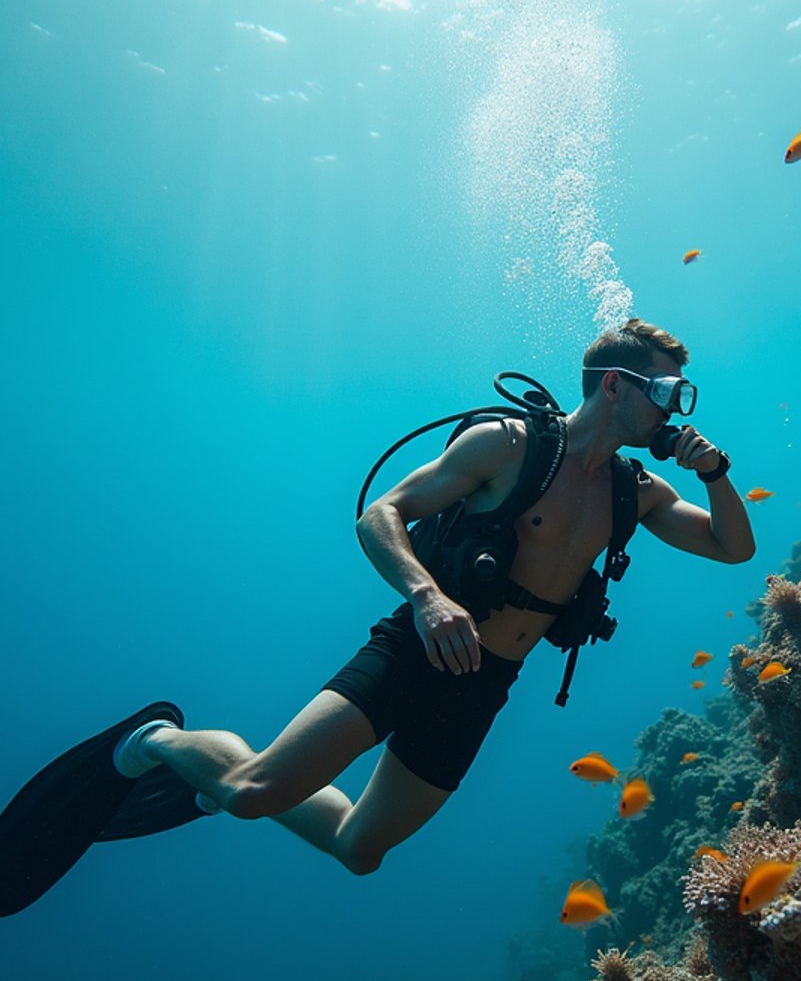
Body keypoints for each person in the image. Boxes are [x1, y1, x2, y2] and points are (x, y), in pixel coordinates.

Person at [1, 319, 755, 912]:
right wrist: (427, 597)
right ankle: (159, 740)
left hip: (484, 683)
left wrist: (714, 472)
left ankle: (214, 779)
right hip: (415, 649)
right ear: (617, 388)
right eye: (669, 390)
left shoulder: (638, 491)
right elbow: (380, 515)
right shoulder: (509, 443)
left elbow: (733, 548)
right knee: (258, 795)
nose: (676, 408)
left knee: (361, 849)